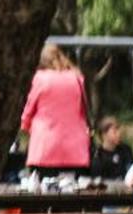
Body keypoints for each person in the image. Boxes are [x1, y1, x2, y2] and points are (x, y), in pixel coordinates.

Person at [19, 43, 91, 174]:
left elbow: (29, 109)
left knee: (44, 184)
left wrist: (25, 126)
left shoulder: (40, 78)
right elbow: (83, 110)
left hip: (45, 147)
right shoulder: (77, 78)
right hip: (74, 149)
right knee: (71, 185)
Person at [92, 116, 133, 181]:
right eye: (115, 131)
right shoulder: (98, 157)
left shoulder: (126, 150)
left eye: (119, 130)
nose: (119, 134)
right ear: (104, 135)